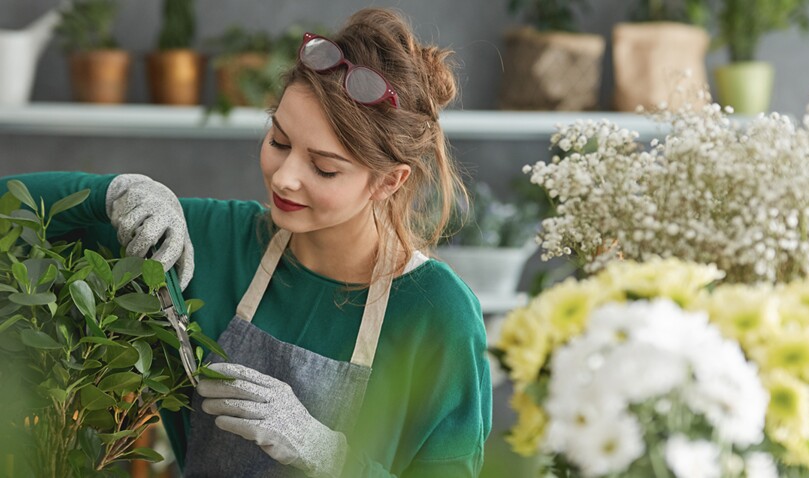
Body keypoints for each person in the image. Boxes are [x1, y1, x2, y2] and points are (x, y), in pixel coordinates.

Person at [1, 7, 491, 478]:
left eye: (323, 167)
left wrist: (329, 455)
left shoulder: (438, 314)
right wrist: (112, 193)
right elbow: (11, 217)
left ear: (389, 182)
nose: (285, 178)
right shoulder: (211, 240)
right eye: (279, 142)